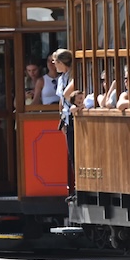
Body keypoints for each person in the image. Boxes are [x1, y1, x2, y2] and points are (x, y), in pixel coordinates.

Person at [52, 48, 77, 194]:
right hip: (67, 118)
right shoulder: (61, 78)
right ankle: (75, 188)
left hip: (76, 117)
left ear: (62, 63)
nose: (54, 65)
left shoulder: (74, 76)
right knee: (71, 153)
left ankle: (79, 187)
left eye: (56, 62)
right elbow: (62, 100)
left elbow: (68, 94)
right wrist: (61, 117)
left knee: (77, 153)